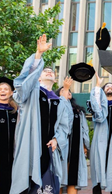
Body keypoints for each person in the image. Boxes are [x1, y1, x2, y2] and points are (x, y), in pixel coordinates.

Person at [10, 34, 71, 194]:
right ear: (37, 77)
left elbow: (65, 127)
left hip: (49, 151)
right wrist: (38, 55)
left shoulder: (59, 101)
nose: (49, 72)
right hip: (31, 146)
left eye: (52, 71)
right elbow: (22, 84)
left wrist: (57, 139)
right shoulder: (31, 93)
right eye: (45, 71)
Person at [56, 79, 90, 193]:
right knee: (59, 174)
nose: (67, 92)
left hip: (75, 146)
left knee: (73, 176)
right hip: (61, 145)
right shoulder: (56, 107)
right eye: (63, 90)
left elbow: (85, 130)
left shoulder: (78, 111)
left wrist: (85, 145)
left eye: (68, 90)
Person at [0, 77, 18, 194]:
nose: (2, 91)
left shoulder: (16, 112)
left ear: (11, 92)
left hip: (13, 158)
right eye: (0, 89)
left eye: (6, 89)